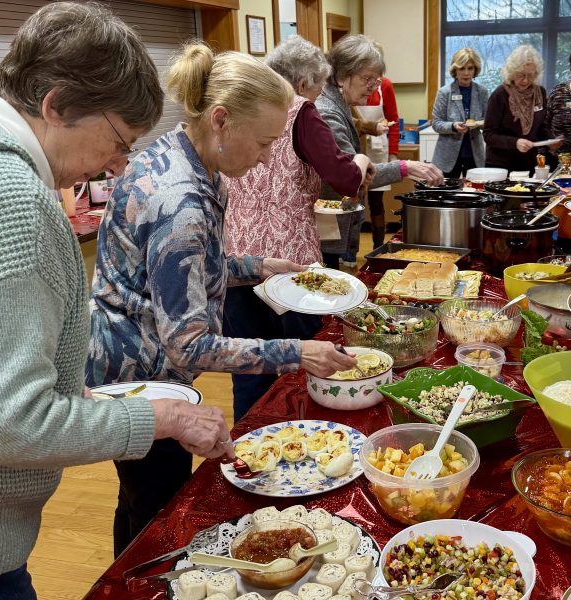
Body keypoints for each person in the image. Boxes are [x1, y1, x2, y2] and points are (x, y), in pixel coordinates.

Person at [0, 4, 235, 597]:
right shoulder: (17, 204)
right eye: (119, 141)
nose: (120, 165)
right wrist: (159, 417)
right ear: (56, 106)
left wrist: (66, 392)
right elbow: (6, 424)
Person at [86, 43, 358, 556]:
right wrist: (296, 353)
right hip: (139, 377)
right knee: (155, 507)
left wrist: (260, 267)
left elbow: (190, 274)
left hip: (132, 359)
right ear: (221, 120)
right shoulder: (181, 206)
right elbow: (189, 345)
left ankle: (126, 571)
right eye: (262, 143)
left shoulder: (186, 159)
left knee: (138, 498)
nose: (264, 158)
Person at [222, 36, 373, 421]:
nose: (321, 94)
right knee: (308, 359)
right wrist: (358, 158)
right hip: (290, 264)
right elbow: (343, 179)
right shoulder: (302, 111)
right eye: (320, 85)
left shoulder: (239, 107)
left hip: (236, 258)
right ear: (304, 82)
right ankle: (307, 437)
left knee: (251, 369)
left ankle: (251, 448)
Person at [316, 34, 443, 267]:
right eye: (368, 79)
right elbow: (350, 176)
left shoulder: (338, 102)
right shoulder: (327, 112)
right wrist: (406, 166)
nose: (373, 88)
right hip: (327, 222)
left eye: (376, 81)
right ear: (343, 75)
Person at [484, 45, 560, 174]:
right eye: (521, 75)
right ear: (512, 72)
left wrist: (550, 140)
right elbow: (489, 135)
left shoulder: (539, 92)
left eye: (530, 76)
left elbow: (540, 127)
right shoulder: (500, 95)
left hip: (528, 163)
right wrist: (515, 142)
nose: (525, 81)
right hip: (501, 165)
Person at [355, 41, 399, 252]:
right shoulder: (352, 86)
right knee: (354, 201)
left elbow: (393, 121)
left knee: (376, 202)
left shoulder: (386, 86)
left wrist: (393, 153)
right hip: (355, 146)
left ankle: (378, 247)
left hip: (378, 151)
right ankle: (350, 251)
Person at [431, 47, 490, 178]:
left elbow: (489, 121)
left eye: (470, 68)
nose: (466, 73)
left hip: (475, 155)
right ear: (455, 70)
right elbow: (436, 123)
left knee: (475, 194)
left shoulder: (482, 92)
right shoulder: (444, 92)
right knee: (447, 195)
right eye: (462, 68)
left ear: (475, 70)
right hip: (447, 157)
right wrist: (453, 126)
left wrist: (479, 124)